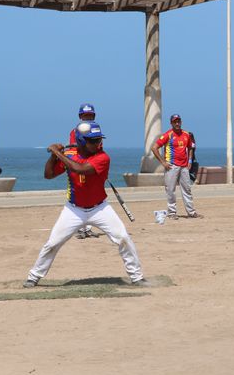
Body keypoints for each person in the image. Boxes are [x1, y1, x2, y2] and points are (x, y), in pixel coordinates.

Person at [24, 121, 147, 287]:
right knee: (52, 243)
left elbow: (79, 169)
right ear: (81, 141)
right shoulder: (69, 155)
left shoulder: (103, 157)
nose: (98, 143)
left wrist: (58, 153)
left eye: (98, 140)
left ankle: (136, 276)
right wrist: (53, 157)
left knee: (123, 238)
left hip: (100, 208)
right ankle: (34, 276)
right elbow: (48, 175)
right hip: (74, 210)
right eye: (93, 140)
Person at [151, 114, 199, 219]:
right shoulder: (168, 135)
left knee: (187, 189)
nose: (177, 123)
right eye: (175, 122)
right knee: (170, 190)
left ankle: (191, 212)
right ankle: (172, 213)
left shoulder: (186, 134)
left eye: (178, 121)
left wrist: (190, 160)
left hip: (184, 166)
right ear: (171, 123)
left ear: (181, 122)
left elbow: (190, 147)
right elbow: (154, 148)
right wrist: (163, 162)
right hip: (171, 166)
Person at [70, 103, 100, 238]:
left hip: (93, 168)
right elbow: (73, 150)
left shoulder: (96, 131)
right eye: (85, 115)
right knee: (80, 196)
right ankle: (80, 228)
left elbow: (99, 150)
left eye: (90, 115)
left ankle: (87, 228)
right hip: (81, 167)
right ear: (81, 116)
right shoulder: (75, 131)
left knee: (92, 197)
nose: (88, 117)